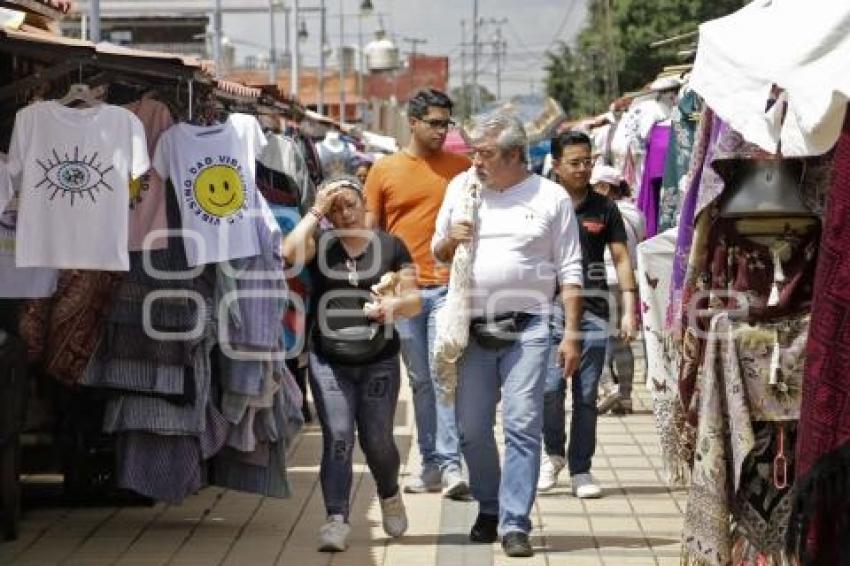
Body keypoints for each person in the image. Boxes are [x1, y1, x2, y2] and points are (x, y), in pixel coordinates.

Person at [432, 113, 583, 557]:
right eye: (473, 151)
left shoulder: (551, 197)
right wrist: (451, 241)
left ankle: (515, 521)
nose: (476, 160)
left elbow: (571, 270)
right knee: (472, 430)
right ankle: (490, 505)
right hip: (472, 329)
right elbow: (437, 254)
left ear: (516, 155)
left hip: (531, 326)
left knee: (521, 425)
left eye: (485, 153)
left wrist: (571, 334)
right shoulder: (461, 189)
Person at [282, 175, 421, 552]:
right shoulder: (321, 244)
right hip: (330, 360)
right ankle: (336, 518)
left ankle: (389, 493)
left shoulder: (391, 246)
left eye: (350, 204)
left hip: (379, 360)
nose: (344, 213)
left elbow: (414, 300)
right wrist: (315, 211)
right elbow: (287, 253)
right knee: (339, 437)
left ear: (364, 205)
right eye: (335, 207)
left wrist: (393, 306)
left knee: (377, 442)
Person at [365, 88, 471, 498]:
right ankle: (429, 463)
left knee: (444, 375)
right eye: (435, 123)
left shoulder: (461, 170)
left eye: (447, 123)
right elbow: (372, 233)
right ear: (413, 122)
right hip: (405, 291)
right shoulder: (384, 170)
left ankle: (449, 466)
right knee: (420, 381)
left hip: (448, 288)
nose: (443, 131)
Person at [539, 131, 638, 498]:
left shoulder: (604, 208)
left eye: (588, 161)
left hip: (595, 312)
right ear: (556, 165)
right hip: (547, 309)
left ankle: (581, 468)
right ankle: (553, 455)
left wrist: (630, 310)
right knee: (550, 389)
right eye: (575, 163)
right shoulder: (541, 201)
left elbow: (622, 257)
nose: (583, 169)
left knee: (585, 395)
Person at [592, 165, 646, 415]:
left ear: (604, 188)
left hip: (603, 280)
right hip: (628, 283)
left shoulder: (600, 212)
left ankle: (607, 388)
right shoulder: (636, 213)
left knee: (598, 338)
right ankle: (625, 397)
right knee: (622, 341)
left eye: (594, 186)